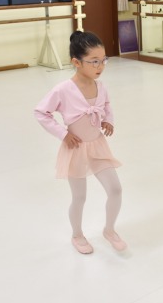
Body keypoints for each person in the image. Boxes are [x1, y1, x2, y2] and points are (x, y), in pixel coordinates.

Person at [34, 30, 126, 255]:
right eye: (94, 61)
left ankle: (109, 230)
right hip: (75, 149)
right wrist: (62, 133)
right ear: (76, 62)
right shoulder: (62, 90)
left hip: (98, 146)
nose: (100, 66)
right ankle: (77, 234)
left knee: (115, 189)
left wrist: (108, 120)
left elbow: (106, 106)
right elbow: (41, 112)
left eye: (103, 60)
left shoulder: (100, 86)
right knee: (79, 197)